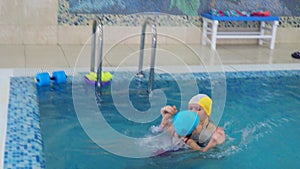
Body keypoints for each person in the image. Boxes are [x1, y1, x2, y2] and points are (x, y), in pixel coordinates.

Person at [160, 94, 225, 152]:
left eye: (198, 109)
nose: (193, 112)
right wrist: (165, 118)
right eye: (191, 108)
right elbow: (165, 130)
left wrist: (214, 142)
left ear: (207, 113)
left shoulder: (212, 130)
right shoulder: (186, 123)